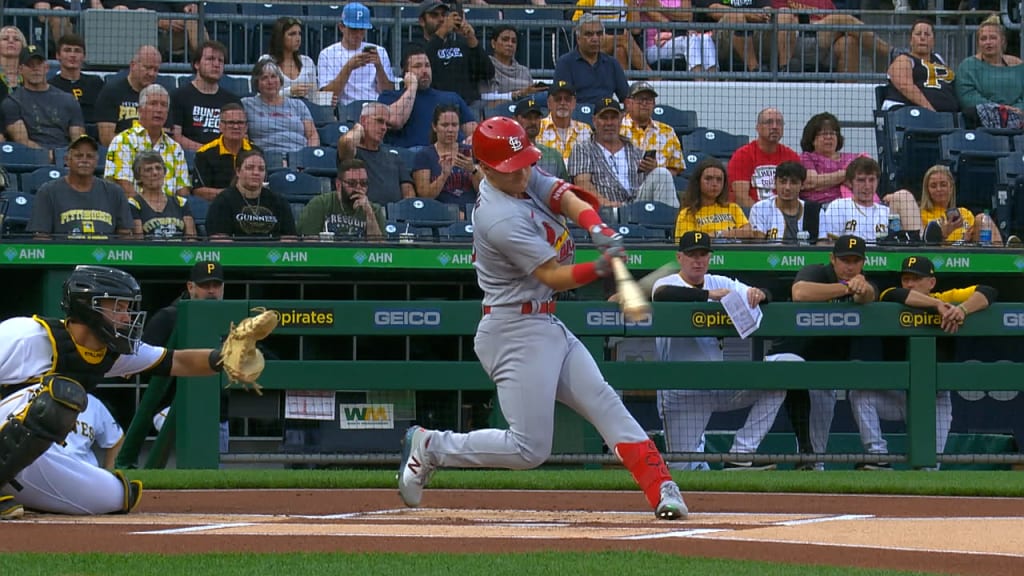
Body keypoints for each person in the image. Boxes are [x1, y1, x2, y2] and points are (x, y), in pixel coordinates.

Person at [396, 116, 687, 521]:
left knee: (604, 401)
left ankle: (662, 487)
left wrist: (598, 226)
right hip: (513, 331)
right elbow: (551, 275)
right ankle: (430, 447)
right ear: (487, 168)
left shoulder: (518, 171)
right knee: (528, 450)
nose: (525, 173)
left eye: (526, 164)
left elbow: (563, 194)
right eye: (514, 169)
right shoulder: (498, 217)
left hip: (545, 322)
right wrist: (600, 266)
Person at [0, 264, 250, 517]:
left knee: (115, 496)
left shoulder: (110, 353)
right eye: (118, 308)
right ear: (87, 306)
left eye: (127, 309)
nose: (127, 317)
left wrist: (228, 358)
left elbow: (177, 361)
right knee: (55, 398)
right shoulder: (25, 335)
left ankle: (11, 489)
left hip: (25, 457)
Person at [850, 256, 997, 470]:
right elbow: (897, 294)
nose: (909, 283)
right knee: (860, 394)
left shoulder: (948, 298)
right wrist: (938, 305)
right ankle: (878, 456)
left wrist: (962, 310)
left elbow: (988, 291)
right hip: (896, 394)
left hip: (934, 399)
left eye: (917, 279)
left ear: (931, 282)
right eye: (906, 278)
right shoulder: (892, 296)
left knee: (928, 468)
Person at [653, 230, 783, 471]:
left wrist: (760, 293)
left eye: (703, 254)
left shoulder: (720, 281)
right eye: (692, 255)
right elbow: (662, 296)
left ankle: (741, 453)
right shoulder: (668, 282)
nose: (698, 260)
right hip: (683, 392)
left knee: (785, 369)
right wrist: (708, 296)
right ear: (680, 257)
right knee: (685, 470)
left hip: (720, 383)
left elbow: (766, 294)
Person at [766, 234, 876, 470]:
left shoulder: (863, 281)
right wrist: (845, 287)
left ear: (863, 262)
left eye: (855, 261)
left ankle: (811, 474)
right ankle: (741, 454)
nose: (849, 266)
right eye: (844, 260)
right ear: (832, 259)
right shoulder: (817, 272)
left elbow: (868, 296)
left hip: (827, 368)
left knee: (816, 454)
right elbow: (800, 293)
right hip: (791, 359)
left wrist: (860, 289)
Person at [141, 261, 232, 455]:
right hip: (171, 407)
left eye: (216, 285)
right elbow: (141, 358)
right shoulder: (169, 317)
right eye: (205, 285)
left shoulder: (230, 319)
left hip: (216, 413)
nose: (211, 291)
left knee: (214, 479)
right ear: (190, 287)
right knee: (191, 461)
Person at [568, 96, 678, 208]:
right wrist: (607, 204)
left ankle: (671, 222)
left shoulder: (635, 150)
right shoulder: (583, 149)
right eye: (604, 118)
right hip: (605, 210)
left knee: (662, 174)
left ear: (621, 119)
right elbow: (582, 184)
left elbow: (647, 184)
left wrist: (652, 169)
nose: (609, 123)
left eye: (614, 118)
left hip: (637, 205)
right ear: (594, 121)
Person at [28, 134, 134, 240]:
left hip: (105, 254)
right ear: (67, 160)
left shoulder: (114, 192)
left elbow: (125, 235)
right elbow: (41, 237)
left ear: (96, 161)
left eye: (90, 156)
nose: (84, 160)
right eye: (78, 156)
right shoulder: (48, 192)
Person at [378, 46, 477, 149]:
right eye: (418, 66)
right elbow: (396, 121)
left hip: (451, 154)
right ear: (405, 72)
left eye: (427, 65)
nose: (424, 71)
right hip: (410, 157)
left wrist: (472, 137)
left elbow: (472, 131)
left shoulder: (451, 97)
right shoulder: (389, 96)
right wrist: (412, 87)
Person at [104, 83, 192, 198]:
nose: (159, 110)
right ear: (140, 110)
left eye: (164, 105)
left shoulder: (175, 148)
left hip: (171, 212)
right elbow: (123, 187)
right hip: (134, 212)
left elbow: (182, 190)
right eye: (153, 104)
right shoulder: (122, 141)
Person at [414, 0, 494, 118]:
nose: (441, 19)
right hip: (434, 109)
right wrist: (442, 32)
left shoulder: (462, 43)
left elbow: (488, 72)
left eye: (444, 15)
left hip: (467, 107)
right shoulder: (416, 46)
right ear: (422, 21)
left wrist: (472, 40)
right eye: (434, 15)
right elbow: (423, 62)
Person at [772, 0, 891, 75]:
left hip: (822, 43)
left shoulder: (825, 2)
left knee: (849, 42)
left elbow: (834, 25)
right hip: (795, 40)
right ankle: (888, 52)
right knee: (841, 19)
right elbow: (782, 17)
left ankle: (848, 97)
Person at [2, 44, 85, 151]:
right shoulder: (12, 102)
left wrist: (66, 156)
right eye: (30, 65)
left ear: (46, 67)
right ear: (20, 70)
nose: (35, 69)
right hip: (32, 157)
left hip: (67, 157)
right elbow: (22, 141)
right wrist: (48, 155)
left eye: (39, 64)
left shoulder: (68, 99)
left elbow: (78, 139)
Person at [820, 157, 921, 243]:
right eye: (861, 180)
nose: (867, 186)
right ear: (850, 183)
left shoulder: (887, 212)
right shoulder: (838, 207)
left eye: (872, 180)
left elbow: (895, 244)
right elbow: (831, 245)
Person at [204, 148, 297, 240]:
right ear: (238, 171)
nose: (256, 173)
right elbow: (219, 240)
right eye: (250, 168)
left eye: (261, 169)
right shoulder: (223, 201)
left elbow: (290, 239)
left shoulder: (279, 202)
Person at [336, 102, 415, 205]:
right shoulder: (353, 154)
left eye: (387, 124)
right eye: (379, 121)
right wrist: (358, 128)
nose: (384, 128)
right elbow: (346, 142)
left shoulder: (394, 158)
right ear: (364, 120)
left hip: (393, 216)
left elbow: (409, 193)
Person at [318, 2, 396, 106]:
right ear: (341, 27)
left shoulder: (380, 51)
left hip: (376, 109)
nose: (358, 34)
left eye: (362, 30)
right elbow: (327, 97)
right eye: (353, 29)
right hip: (345, 111)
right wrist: (348, 67)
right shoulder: (327, 54)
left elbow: (389, 94)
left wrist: (379, 67)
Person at [242, 59, 319, 162]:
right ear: (256, 83)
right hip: (266, 159)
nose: (270, 82)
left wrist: (308, 157)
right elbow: (242, 135)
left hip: (300, 158)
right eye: (264, 78)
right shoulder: (246, 104)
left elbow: (312, 135)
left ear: (280, 80)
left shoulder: (298, 104)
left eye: (274, 76)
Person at [955, 15, 1024, 129]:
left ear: (1002, 40)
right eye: (983, 39)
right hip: (981, 123)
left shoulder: (1019, 66)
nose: (988, 42)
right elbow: (967, 97)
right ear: (978, 43)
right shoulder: (967, 66)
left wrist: (1018, 109)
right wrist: (1000, 109)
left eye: (992, 38)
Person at [170, 40, 241, 151]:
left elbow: (241, 137)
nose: (216, 64)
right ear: (197, 64)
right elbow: (176, 137)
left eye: (220, 61)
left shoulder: (232, 101)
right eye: (210, 59)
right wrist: (208, 151)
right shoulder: (178, 96)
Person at [693, 0, 796, 73]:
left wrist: (766, 13)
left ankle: (784, 71)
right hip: (723, 38)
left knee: (785, 14)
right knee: (735, 16)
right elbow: (714, 10)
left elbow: (766, 6)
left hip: (755, 33)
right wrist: (749, 14)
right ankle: (755, 71)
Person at [728, 108, 800, 210]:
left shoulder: (791, 157)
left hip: (784, 214)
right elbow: (741, 197)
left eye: (779, 123)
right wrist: (763, 215)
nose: (775, 127)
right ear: (758, 127)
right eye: (769, 122)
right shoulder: (742, 155)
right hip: (751, 214)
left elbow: (797, 192)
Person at [881, 20, 959, 113]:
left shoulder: (938, 59)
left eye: (927, 34)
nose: (922, 38)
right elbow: (905, 86)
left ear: (933, 41)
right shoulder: (903, 60)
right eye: (918, 34)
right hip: (911, 112)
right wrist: (931, 112)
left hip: (948, 116)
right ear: (911, 40)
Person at [297, 158, 386, 239]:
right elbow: (308, 244)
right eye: (352, 183)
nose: (358, 188)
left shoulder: (374, 210)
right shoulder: (319, 205)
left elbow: (379, 251)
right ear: (338, 184)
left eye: (363, 183)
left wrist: (369, 214)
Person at [412, 104, 481, 208]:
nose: (450, 130)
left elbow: (484, 191)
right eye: (445, 125)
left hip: (473, 210)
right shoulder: (424, 155)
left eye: (454, 125)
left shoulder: (471, 152)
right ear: (435, 127)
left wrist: (473, 170)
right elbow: (425, 196)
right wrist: (444, 175)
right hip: (441, 212)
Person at [553, 15, 629, 106]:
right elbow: (561, 100)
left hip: (607, 116)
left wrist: (623, 116)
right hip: (577, 116)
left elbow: (627, 98)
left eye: (599, 34)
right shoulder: (565, 63)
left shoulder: (612, 63)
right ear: (578, 38)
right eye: (589, 34)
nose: (595, 39)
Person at [917, 164, 1003, 245]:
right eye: (933, 186)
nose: (938, 189)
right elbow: (926, 246)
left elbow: (977, 238)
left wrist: (966, 239)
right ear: (927, 190)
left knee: (983, 218)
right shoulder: (920, 215)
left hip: (968, 256)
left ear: (951, 188)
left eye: (943, 185)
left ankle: (1001, 256)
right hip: (941, 257)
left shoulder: (964, 213)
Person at [94, 45, 162, 145]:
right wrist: (136, 149)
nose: (151, 73)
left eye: (155, 69)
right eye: (147, 68)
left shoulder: (160, 96)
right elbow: (106, 138)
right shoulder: (111, 92)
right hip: (120, 154)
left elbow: (163, 136)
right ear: (133, 65)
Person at [674, 157, 754, 240]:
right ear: (698, 182)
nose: (714, 184)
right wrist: (733, 233)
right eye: (708, 179)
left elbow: (748, 232)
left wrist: (718, 234)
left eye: (719, 179)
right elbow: (687, 243)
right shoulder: (687, 214)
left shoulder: (733, 208)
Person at [620, 81, 685, 177]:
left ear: (654, 104)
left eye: (649, 99)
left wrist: (657, 170)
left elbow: (676, 169)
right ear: (628, 103)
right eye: (640, 99)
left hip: (657, 187)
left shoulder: (667, 132)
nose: (644, 103)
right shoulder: (616, 129)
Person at [128, 150, 197, 239]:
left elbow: (191, 239)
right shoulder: (133, 204)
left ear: (164, 172)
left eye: (158, 168)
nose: (155, 173)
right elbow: (139, 242)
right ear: (139, 177)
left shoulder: (181, 203)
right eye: (148, 170)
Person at [749, 161, 822, 242]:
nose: (787, 187)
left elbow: (823, 244)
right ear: (775, 183)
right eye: (783, 182)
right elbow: (758, 246)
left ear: (802, 185)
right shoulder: (760, 209)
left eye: (793, 182)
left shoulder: (816, 211)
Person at [569, 1, 652, 73]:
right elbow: (575, 25)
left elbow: (635, 30)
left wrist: (633, 5)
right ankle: (651, 75)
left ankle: (623, 87)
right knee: (624, 38)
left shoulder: (626, 1)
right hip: (594, 41)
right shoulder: (589, 0)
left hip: (617, 42)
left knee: (620, 51)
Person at [798, 112, 861, 206]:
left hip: (850, 205)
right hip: (819, 206)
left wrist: (827, 181)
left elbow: (862, 179)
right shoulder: (807, 157)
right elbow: (812, 182)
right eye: (823, 134)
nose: (829, 137)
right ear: (812, 139)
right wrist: (847, 173)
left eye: (832, 133)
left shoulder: (852, 158)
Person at [638, 0, 718, 74]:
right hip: (654, 47)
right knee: (691, 40)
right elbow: (666, 24)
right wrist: (679, 17)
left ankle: (714, 85)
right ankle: (699, 84)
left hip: (679, 37)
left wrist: (660, 7)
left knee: (706, 39)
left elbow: (688, 16)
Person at [192, 103, 251, 201]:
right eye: (231, 123)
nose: (236, 127)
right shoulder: (204, 153)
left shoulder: (255, 151)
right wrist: (234, 195)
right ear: (220, 126)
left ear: (246, 127)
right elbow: (198, 191)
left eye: (240, 123)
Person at [481, 25, 545, 110]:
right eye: (505, 39)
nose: (510, 44)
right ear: (493, 43)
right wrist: (518, 95)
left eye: (514, 41)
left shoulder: (524, 71)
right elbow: (485, 100)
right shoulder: (484, 66)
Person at [48, 34, 106, 125]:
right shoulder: (50, 86)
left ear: (84, 56)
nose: (72, 55)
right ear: (58, 55)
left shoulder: (96, 83)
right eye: (67, 50)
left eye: (77, 51)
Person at [536, 81, 592, 166]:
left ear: (574, 104)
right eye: (557, 99)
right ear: (549, 103)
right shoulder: (538, 128)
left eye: (567, 99)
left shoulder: (585, 129)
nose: (562, 103)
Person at [512, 98, 569, 180]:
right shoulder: (507, 155)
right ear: (514, 119)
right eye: (527, 117)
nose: (533, 122)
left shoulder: (554, 155)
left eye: (537, 118)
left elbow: (565, 187)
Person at [264, 16, 317, 99]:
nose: (298, 38)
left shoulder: (307, 62)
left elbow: (314, 97)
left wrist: (328, 100)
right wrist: (290, 92)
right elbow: (261, 97)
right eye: (292, 34)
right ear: (280, 37)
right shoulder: (266, 62)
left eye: (299, 34)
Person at [0, 26, 26, 106]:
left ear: (23, 46)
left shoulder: (29, 74)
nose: (11, 41)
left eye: (16, 39)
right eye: (5, 39)